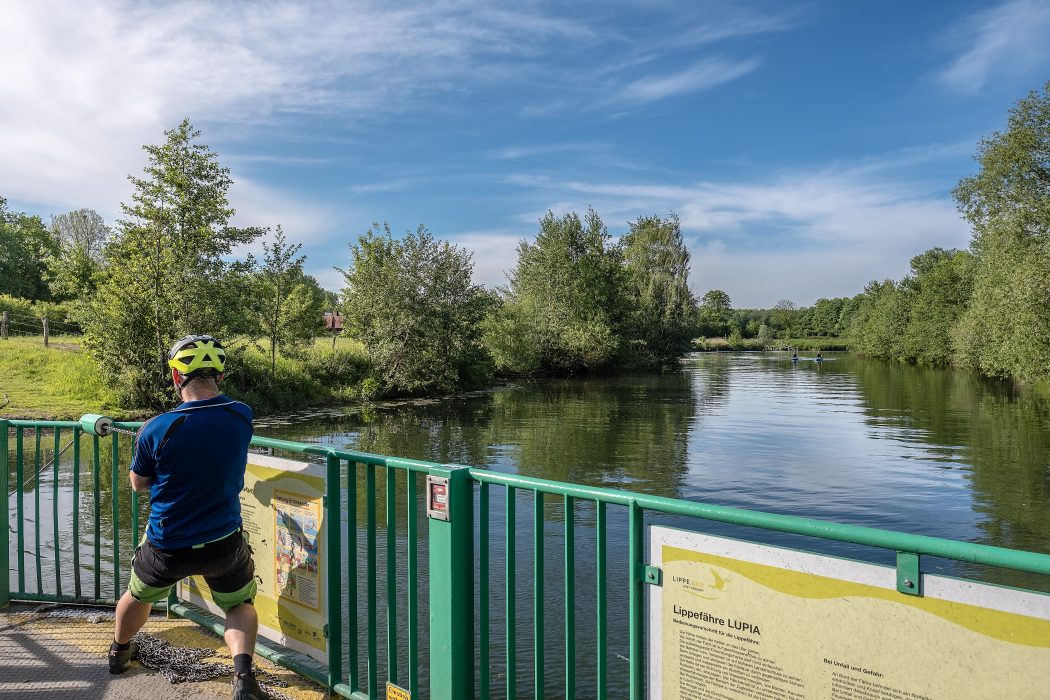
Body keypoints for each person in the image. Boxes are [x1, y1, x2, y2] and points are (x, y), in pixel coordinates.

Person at [108, 335, 266, 700]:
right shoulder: (241, 415)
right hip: (223, 540)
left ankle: (119, 652)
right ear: (221, 376)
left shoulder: (156, 428)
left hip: (168, 543)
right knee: (239, 605)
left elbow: (139, 484)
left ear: (176, 377)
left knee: (137, 593)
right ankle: (243, 678)